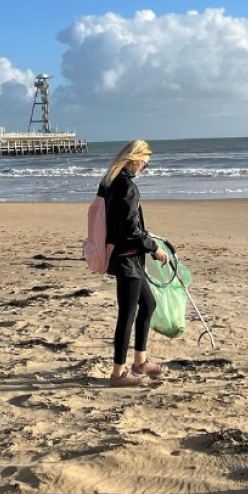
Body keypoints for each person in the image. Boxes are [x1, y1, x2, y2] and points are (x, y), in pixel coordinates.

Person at [97, 140, 168, 387]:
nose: (144, 169)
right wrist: (153, 247)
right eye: (145, 164)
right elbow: (129, 231)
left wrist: (146, 237)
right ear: (135, 159)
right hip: (128, 256)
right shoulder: (125, 186)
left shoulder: (109, 182)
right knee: (127, 315)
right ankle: (118, 374)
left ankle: (140, 362)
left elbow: (122, 224)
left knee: (148, 304)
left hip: (124, 254)